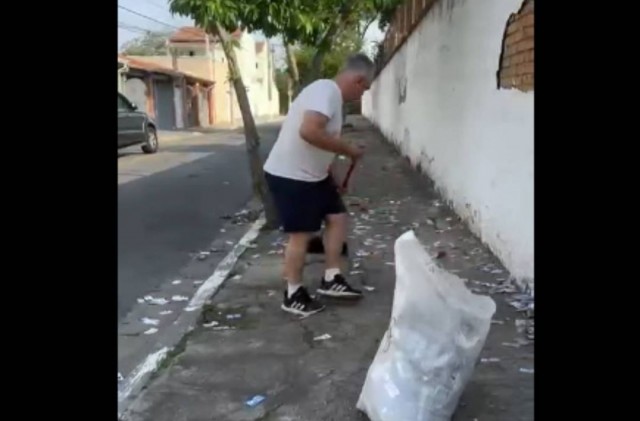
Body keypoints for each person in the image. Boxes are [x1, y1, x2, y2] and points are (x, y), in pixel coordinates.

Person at [263, 53, 375, 317]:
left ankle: (332, 278)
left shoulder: (332, 98)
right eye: (365, 89)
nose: (362, 96)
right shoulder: (325, 90)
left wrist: (335, 180)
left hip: (315, 175)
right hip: (291, 175)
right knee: (301, 235)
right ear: (358, 80)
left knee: (337, 217)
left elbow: (323, 145)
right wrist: (349, 149)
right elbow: (310, 131)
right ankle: (293, 294)